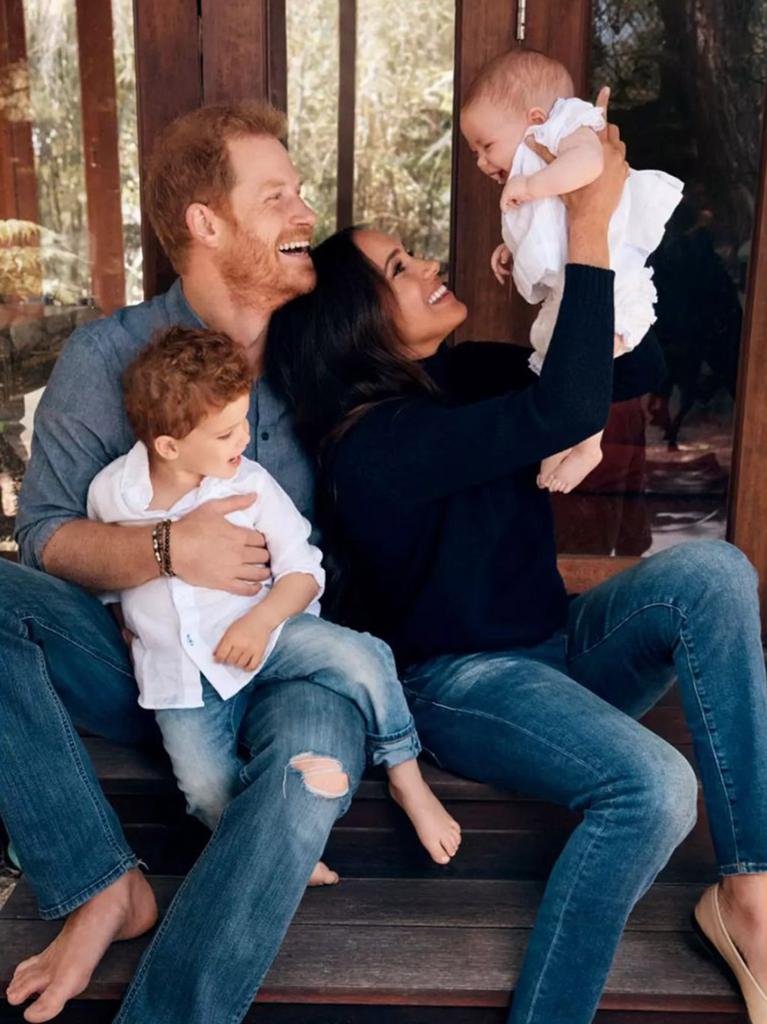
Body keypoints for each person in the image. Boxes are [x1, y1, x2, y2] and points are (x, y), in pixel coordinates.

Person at [267, 111, 767, 1024]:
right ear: (352, 322)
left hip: (559, 647)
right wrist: (582, 217)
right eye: (398, 269)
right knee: (653, 788)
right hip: (463, 684)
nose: (427, 268)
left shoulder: (469, 375)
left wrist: (567, 276)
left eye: (413, 254)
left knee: (716, 574)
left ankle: (748, 896)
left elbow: (631, 367)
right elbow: (559, 411)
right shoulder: (370, 448)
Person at [3, 100, 371, 1024]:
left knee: (303, 775)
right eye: (276, 195)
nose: (302, 213)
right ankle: (99, 883)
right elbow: (45, 535)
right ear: (206, 225)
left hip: (288, 657)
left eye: (299, 193)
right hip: (147, 671)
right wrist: (171, 549)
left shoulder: (319, 347)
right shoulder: (109, 356)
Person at [87, 324, 459, 862]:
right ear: (168, 445)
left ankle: (405, 774)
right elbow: (108, 574)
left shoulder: (250, 485)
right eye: (225, 433)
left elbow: (304, 571)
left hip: (273, 629)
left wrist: (260, 623)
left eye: (243, 421)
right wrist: (126, 620)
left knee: (364, 657)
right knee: (203, 787)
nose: (243, 439)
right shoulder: (112, 494)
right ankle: (265, 852)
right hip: (182, 677)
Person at [460, 49, 683, 494]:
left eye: (487, 146)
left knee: (588, 356)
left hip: (612, 277)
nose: (483, 163)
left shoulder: (569, 127)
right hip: (577, 281)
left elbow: (590, 166)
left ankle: (588, 444)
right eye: (475, 153)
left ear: (536, 117)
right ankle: (564, 436)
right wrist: (512, 247)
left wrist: (531, 185)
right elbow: (552, 225)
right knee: (555, 354)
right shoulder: (537, 162)